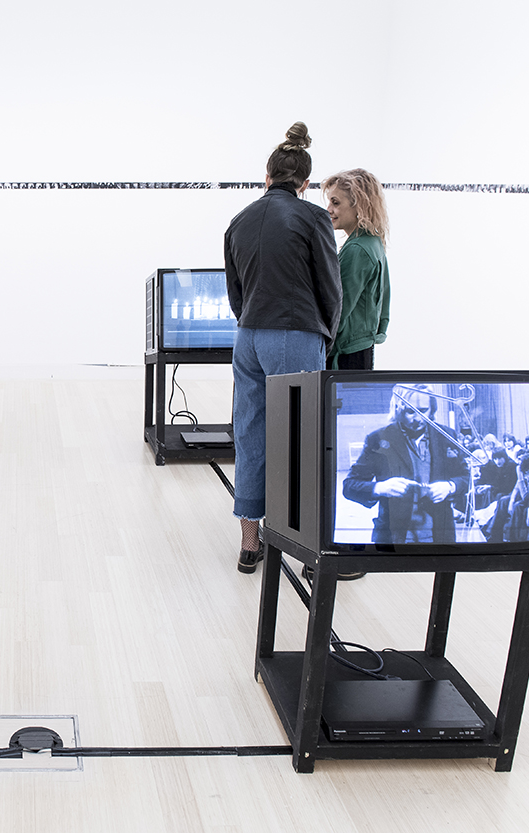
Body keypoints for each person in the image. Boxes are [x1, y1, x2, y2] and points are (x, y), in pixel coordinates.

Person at [224, 122, 342, 573]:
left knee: (251, 432)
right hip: (294, 334)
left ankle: (249, 543)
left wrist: (251, 321)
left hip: (248, 337)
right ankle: (306, 550)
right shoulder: (312, 218)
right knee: (301, 440)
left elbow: (236, 293)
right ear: (305, 183)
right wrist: (326, 335)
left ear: (267, 177)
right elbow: (330, 288)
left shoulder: (239, 220)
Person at [341, 384, 470, 544]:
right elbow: (349, 486)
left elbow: (466, 477)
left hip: (441, 539)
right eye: (410, 411)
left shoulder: (446, 436)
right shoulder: (378, 439)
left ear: (432, 409)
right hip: (393, 541)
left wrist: (450, 486)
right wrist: (381, 488)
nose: (418, 418)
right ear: (397, 409)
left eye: (423, 410)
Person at [320, 169, 391, 370]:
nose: (328, 209)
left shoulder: (358, 249)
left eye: (336, 203)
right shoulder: (373, 242)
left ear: (358, 205)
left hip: (346, 356)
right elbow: (383, 309)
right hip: (361, 348)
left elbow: (337, 310)